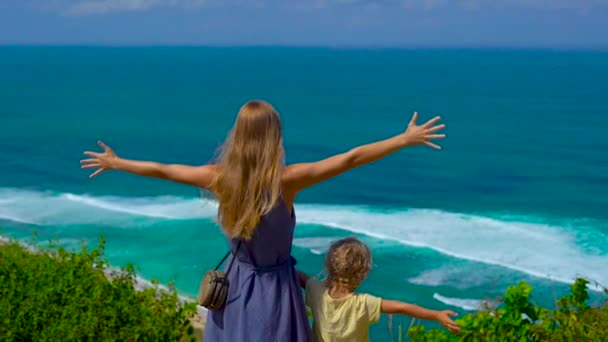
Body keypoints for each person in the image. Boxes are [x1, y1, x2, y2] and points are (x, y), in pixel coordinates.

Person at [80, 100, 446, 341]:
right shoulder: (287, 182)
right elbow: (349, 159)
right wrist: (402, 139)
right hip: (275, 290)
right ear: (274, 137)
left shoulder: (219, 178)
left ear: (238, 137)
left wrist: (117, 163)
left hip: (235, 289)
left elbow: (164, 170)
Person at [297, 237, 460, 342]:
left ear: (329, 265)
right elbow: (401, 307)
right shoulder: (363, 304)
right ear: (363, 272)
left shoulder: (315, 290)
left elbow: (300, 277)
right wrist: (436, 315)